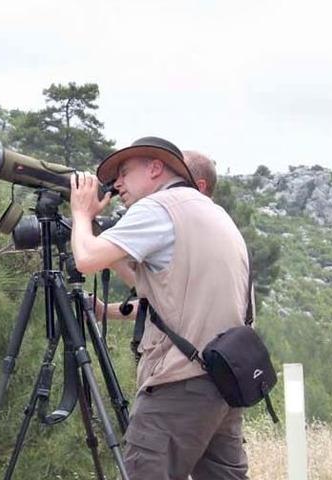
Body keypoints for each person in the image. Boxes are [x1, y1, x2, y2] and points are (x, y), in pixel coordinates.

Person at [69, 137, 250, 479]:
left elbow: (87, 259)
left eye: (124, 172)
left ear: (155, 168)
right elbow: (162, 288)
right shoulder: (211, 213)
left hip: (179, 384)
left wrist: (80, 215)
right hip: (223, 382)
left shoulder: (158, 208)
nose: (117, 183)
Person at [95, 149, 218, 320]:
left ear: (199, 187)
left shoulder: (184, 223)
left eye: (176, 178)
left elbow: (167, 305)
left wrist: (82, 215)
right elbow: (163, 303)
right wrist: (105, 311)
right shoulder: (217, 226)